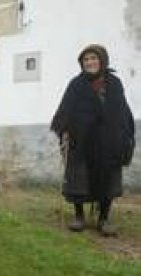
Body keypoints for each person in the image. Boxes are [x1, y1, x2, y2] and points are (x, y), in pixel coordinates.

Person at [50, 44, 135, 236]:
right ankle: (79, 217)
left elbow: (122, 111)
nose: (90, 62)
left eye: (93, 58)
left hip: (109, 143)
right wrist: (64, 129)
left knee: (109, 181)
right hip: (81, 142)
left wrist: (124, 135)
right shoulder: (76, 84)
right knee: (78, 180)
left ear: (102, 60)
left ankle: (103, 219)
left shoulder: (114, 83)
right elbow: (65, 110)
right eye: (86, 59)